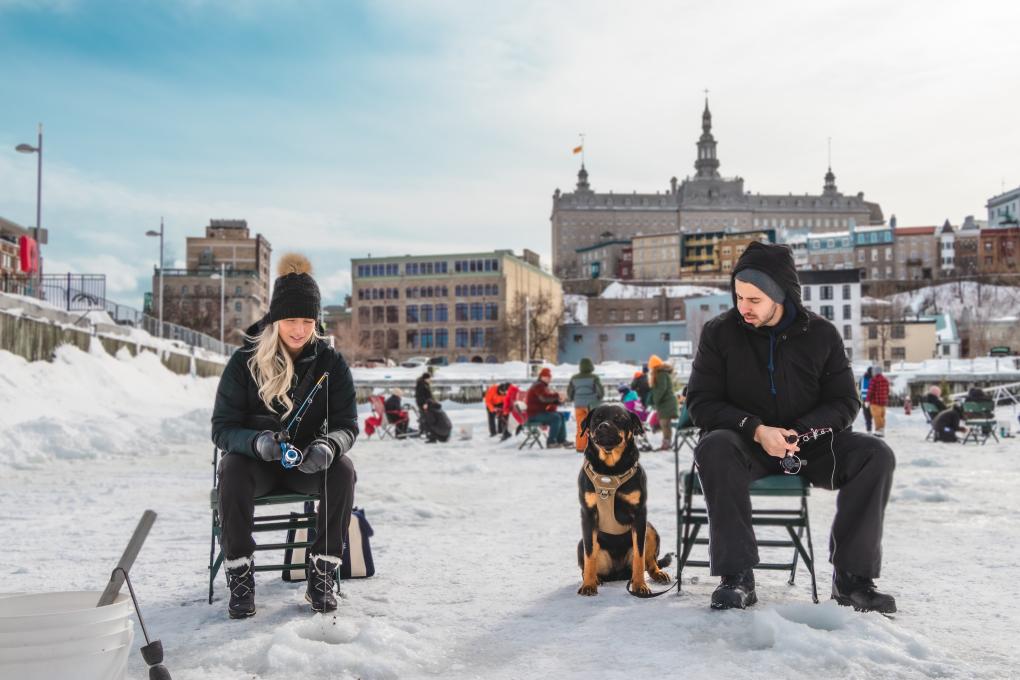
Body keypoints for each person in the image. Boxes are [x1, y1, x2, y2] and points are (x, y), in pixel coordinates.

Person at [686, 241, 896, 613]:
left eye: (754, 299)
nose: (743, 307)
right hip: (745, 444)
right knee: (714, 446)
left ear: (779, 295)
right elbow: (701, 402)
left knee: (875, 454)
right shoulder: (720, 333)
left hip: (809, 445)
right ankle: (736, 577)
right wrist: (755, 429)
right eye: (738, 296)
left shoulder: (822, 334)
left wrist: (801, 431)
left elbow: (845, 402)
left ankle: (852, 580)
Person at [211, 253, 358, 618]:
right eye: (291, 320)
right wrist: (256, 443)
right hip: (256, 466)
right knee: (231, 469)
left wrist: (329, 445)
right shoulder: (244, 361)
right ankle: (241, 577)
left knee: (343, 470)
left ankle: (322, 572)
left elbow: (348, 423)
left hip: (306, 463)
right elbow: (222, 427)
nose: (299, 329)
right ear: (275, 319)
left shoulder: (331, 363)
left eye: (307, 321)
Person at [567, 358, 604, 452]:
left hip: (578, 405)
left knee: (580, 426)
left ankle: (580, 447)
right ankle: (596, 447)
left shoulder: (574, 378)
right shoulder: (594, 377)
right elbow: (599, 390)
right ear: (591, 366)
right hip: (591, 405)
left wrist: (572, 398)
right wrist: (599, 398)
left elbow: (570, 391)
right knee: (595, 425)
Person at [526, 367, 569, 448]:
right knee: (555, 418)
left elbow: (548, 400)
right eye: (547, 377)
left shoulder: (543, 386)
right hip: (534, 414)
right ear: (541, 377)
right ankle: (551, 442)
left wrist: (558, 401)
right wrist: (557, 395)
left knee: (561, 415)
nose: (549, 379)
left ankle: (562, 440)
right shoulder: (538, 386)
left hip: (541, 413)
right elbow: (544, 398)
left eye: (549, 377)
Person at [647, 355, 678, 450]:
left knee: (664, 424)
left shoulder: (660, 374)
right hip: (666, 403)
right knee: (665, 424)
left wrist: (656, 400)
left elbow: (661, 389)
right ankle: (667, 442)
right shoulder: (662, 373)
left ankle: (666, 443)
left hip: (666, 403)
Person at [865, 366, 889, 438]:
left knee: (876, 417)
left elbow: (870, 391)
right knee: (882, 417)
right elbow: (887, 391)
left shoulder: (874, 380)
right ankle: (882, 430)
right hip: (883, 403)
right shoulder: (885, 380)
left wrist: (867, 400)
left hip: (875, 402)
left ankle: (878, 431)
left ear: (875, 372)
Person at [859, 367, 873, 433]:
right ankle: (872, 429)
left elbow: (859, 388)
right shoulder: (873, 378)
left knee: (867, 415)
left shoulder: (862, 378)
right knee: (872, 414)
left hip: (864, 400)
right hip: (872, 400)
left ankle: (869, 429)